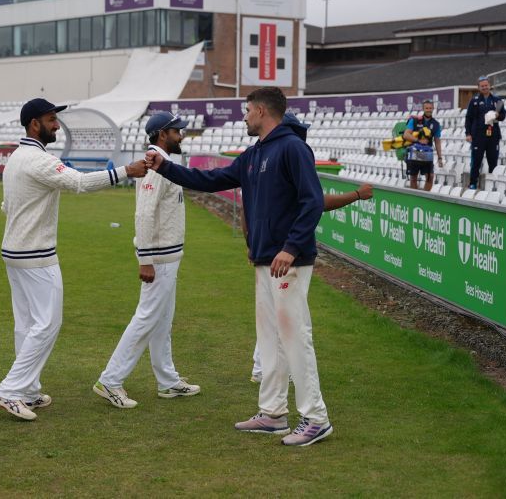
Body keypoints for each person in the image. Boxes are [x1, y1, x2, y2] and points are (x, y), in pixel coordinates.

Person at [146, 87, 332, 447]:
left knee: (295, 337)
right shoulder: (254, 153)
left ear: (262, 111)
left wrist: (291, 248)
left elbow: (313, 202)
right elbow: (212, 180)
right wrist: (166, 167)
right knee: (270, 340)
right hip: (266, 260)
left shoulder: (293, 147)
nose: (244, 116)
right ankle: (273, 413)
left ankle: (316, 418)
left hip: (287, 261)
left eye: (247, 110)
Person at [0, 98, 147, 421]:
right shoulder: (38, 160)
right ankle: (9, 390)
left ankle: (28, 390)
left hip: (15, 251)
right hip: (36, 254)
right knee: (47, 323)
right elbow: (79, 182)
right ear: (35, 124)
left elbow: (7, 207)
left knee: (28, 324)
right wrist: (125, 171)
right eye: (51, 120)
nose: (56, 125)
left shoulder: (16, 158)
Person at [246, 113, 373, 384]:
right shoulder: (290, 154)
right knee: (291, 318)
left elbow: (250, 204)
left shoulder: (267, 158)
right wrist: (357, 195)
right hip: (289, 253)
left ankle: (263, 368)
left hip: (269, 247)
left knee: (274, 316)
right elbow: (318, 202)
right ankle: (275, 373)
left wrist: (251, 242)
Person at [94, 112, 200, 409]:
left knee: (162, 320)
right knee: (146, 318)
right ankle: (110, 380)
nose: (181, 135)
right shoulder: (155, 165)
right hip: (159, 256)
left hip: (168, 254)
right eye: (177, 131)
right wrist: (145, 259)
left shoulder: (163, 162)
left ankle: (167, 381)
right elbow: (143, 213)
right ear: (162, 133)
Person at [465, 76, 506, 189]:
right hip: (478, 136)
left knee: (493, 161)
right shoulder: (474, 101)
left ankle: (492, 185)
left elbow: (503, 116)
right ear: (478, 87)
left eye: (486, 85)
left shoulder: (497, 100)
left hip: (493, 135)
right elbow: (468, 118)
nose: (484, 87)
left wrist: (498, 115)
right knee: (476, 161)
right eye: (482, 86)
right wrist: (468, 134)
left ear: (490, 85)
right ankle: (473, 183)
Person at [403, 99, 443, 191]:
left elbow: (437, 141)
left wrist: (440, 158)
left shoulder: (436, 124)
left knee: (430, 177)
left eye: (430, 108)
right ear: (423, 109)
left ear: (433, 108)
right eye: (426, 108)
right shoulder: (415, 120)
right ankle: (414, 199)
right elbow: (406, 135)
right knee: (413, 178)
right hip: (414, 153)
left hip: (427, 154)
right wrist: (418, 140)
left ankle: (425, 198)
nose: (428, 110)